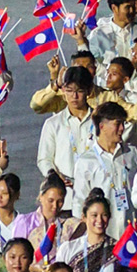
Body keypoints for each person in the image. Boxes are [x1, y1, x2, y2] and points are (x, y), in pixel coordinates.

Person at [72, 102, 137, 238]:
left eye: (123, 124)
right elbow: (79, 203)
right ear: (102, 126)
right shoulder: (86, 161)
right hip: (104, 234)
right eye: (117, 124)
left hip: (131, 233)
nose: (122, 129)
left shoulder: (131, 153)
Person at [36, 67, 95, 210]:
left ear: (89, 91)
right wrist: (54, 176)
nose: (74, 96)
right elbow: (44, 159)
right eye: (69, 90)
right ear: (63, 90)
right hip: (65, 199)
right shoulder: (53, 124)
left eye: (79, 91)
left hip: (94, 195)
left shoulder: (99, 122)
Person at [56, 188, 118, 272]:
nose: (99, 220)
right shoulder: (68, 249)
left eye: (104, 215)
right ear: (84, 217)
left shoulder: (118, 249)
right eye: (94, 215)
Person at [11, 171, 67, 267]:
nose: (55, 206)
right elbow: (16, 256)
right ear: (41, 197)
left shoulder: (67, 225)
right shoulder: (25, 222)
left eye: (60, 201)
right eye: (51, 200)